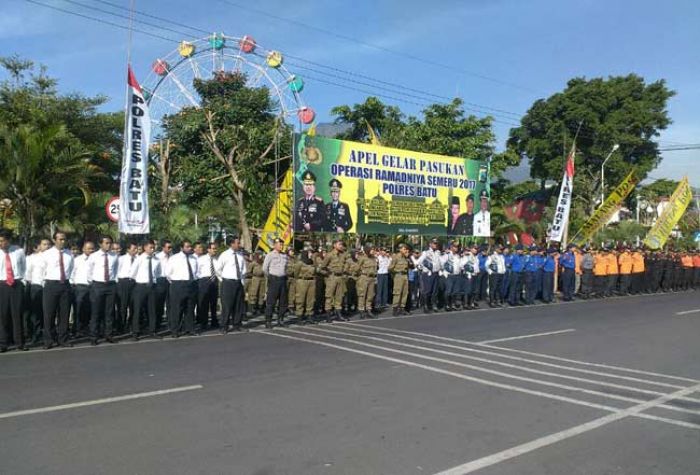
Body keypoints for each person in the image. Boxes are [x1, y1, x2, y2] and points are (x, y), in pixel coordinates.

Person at [41, 231, 74, 349]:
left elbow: (70, 269)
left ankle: (63, 339)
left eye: (64, 239)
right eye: (60, 239)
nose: (63, 241)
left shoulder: (69, 254)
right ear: (54, 240)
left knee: (64, 314)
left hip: (65, 285)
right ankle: (48, 340)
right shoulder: (46, 254)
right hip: (51, 285)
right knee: (49, 314)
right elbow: (42, 270)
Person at [87, 235, 119, 345]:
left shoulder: (114, 256)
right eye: (106, 243)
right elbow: (89, 271)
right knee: (96, 312)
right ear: (100, 244)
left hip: (110, 285)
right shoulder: (93, 256)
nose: (108, 245)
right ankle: (93, 336)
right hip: (97, 285)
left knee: (109, 312)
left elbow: (115, 270)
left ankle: (108, 335)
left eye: (110, 243)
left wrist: (113, 281)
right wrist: (93, 283)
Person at [129, 239, 162, 340]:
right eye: (150, 247)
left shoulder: (156, 260)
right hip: (141, 286)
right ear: (145, 248)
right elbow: (132, 273)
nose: (152, 249)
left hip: (152, 287)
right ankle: (135, 332)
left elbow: (158, 273)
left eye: (153, 247)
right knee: (137, 310)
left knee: (152, 310)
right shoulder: (139, 259)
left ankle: (152, 331)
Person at [0, 229, 27, 352]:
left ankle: (19, 342)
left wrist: (22, 281)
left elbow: (23, 267)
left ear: (9, 240)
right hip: (2, 285)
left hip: (16, 284)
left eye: (2, 241)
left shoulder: (19, 251)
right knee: (2, 315)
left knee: (17, 314)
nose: (1, 244)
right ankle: (3, 343)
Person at [165, 240, 199, 337]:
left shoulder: (193, 258)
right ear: (181, 248)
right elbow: (168, 273)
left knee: (190, 308)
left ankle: (190, 329)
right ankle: (175, 331)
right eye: (187, 246)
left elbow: (196, 271)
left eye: (190, 246)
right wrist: (176, 282)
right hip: (178, 285)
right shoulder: (174, 258)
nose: (189, 248)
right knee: (177, 309)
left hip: (191, 284)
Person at [216, 235, 247, 333]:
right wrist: (223, 280)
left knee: (238, 305)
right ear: (232, 244)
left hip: (238, 282)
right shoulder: (224, 255)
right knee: (227, 305)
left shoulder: (240, 255)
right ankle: (224, 326)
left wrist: (241, 280)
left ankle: (237, 324)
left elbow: (243, 269)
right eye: (237, 243)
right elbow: (218, 269)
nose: (239, 244)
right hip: (228, 283)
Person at [26, 238, 50, 344]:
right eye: (44, 244)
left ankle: (48, 334)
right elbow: (28, 274)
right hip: (36, 286)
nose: (47, 246)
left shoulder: (53, 257)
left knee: (48, 312)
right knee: (36, 313)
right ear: (39, 246)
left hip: (49, 287)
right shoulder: (32, 258)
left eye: (49, 244)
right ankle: (35, 334)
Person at [263, 238, 289, 328]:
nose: (281, 246)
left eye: (282, 244)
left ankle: (280, 320)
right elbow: (264, 268)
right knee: (271, 302)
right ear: (274, 245)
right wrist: (270, 276)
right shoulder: (270, 255)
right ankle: (268, 321)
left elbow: (286, 268)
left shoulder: (285, 256)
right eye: (279, 244)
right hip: (273, 280)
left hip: (282, 280)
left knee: (283, 302)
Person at [70, 240, 94, 338]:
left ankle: (87, 329)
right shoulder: (77, 260)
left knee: (90, 310)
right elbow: (72, 273)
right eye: (89, 248)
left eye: (92, 249)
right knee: (78, 309)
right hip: (80, 287)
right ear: (83, 249)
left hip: (93, 287)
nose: (91, 250)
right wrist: (73, 284)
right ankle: (77, 330)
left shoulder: (96, 259)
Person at [321, 239, 348, 322]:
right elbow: (322, 267)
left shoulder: (343, 255)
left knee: (339, 297)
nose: (341, 246)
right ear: (334, 245)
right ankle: (328, 315)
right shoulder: (329, 255)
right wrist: (328, 274)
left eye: (341, 245)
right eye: (339, 244)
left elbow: (346, 264)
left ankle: (338, 315)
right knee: (329, 297)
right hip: (332, 277)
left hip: (340, 278)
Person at [415, 238, 443, 313]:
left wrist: (440, 270)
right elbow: (418, 262)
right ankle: (426, 305)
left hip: (436, 273)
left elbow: (440, 262)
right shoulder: (426, 253)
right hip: (428, 274)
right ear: (430, 244)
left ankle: (433, 304)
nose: (435, 245)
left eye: (436, 243)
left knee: (435, 290)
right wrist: (423, 269)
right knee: (427, 290)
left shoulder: (438, 252)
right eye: (434, 243)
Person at [196, 242, 219, 331]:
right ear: (208, 249)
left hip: (214, 281)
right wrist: (201, 280)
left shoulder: (217, 259)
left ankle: (214, 321)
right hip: (204, 281)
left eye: (215, 249)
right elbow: (196, 270)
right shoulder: (201, 259)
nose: (215, 250)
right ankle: (203, 323)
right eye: (213, 248)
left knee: (214, 303)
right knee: (204, 303)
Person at [116, 242, 138, 333]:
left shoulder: (138, 259)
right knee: (122, 306)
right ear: (128, 249)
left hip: (134, 282)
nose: (135, 251)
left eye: (136, 249)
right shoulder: (121, 259)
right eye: (133, 249)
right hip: (123, 282)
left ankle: (131, 325)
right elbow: (116, 271)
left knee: (133, 305)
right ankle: (121, 326)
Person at [294, 250, 317, 324]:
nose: (311, 254)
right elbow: (296, 273)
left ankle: (309, 316)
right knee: (300, 299)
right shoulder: (300, 263)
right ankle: (299, 316)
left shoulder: (312, 262)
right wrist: (299, 280)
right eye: (309, 253)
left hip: (311, 281)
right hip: (302, 281)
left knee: (310, 299)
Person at [389, 243, 413, 316]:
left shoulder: (406, 257)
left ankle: (402, 308)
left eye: (406, 249)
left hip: (405, 276)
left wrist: (408, 258)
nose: (405, 250)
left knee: (405, 293)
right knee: (397, 292)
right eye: (404, 249)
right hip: (398, 276)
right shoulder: (396, 257)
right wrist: (397, 272)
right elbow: (390, 268)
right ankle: (395, 308)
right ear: (400, 249)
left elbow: (412, 266)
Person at [154, 239, 173, 332]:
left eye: (171, 247)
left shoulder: (173, 256)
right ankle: (157, 324)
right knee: (159, 304)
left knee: (170, 304)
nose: (170, 249)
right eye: (168, 247)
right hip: (161, 280)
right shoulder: (157, 256)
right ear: (163, 247)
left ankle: (170, 324)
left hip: (170, 281)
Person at [356, 245, 378, 319]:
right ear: (367, 250)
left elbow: (375, 268)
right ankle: (361, 310)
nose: (373, 251)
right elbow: (357, 268)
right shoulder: (362, 258)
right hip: (364, 277)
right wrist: (361, 274)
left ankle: (369, 310)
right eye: (372, 249)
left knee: (370, 295)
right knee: (362, 295)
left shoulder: (373, 258)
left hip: (372, 278)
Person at [443, 241, 464, 311]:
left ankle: (452, 304)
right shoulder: (447, 255)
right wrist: (444, 273)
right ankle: (446, 304)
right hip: (449, 275)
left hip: (457, 275)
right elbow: (442, 263)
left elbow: (461, 265)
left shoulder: (458, 256)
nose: (456, 248)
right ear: (451, 247)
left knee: (455, 291)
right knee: (448, 291)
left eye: (457, 247)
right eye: (455, 246)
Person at [247, 251, 267, 316]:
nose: (261, 256)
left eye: (261, 255)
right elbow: (249, 271)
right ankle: (253, 307)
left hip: (263, 278)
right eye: (260, 255)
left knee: (262, 293)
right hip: (255, 278)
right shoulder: (253, 263)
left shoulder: (263, 262)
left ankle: (260, 307)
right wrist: (253, 275)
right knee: (254, 293)